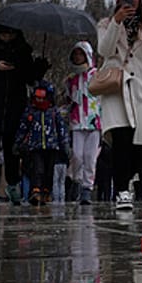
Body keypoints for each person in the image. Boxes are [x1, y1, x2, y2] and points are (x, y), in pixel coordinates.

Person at [95, 0, 142, 211]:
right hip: (117, 88)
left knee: (140, 148)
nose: (131, 1)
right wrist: (116, 22)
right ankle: (122, 190)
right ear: (118, 1)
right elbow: (104, 50)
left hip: (140, 90)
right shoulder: (106, 24)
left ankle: (130, 182)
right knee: (121, 140)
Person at [0, 24, 48, 206]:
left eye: (10, 34)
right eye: (3, 34)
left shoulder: (23, 53)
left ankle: (13, 184)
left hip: (15, 109)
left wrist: (38, 68)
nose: (6, 37)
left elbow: (30, 78)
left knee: (13, 152)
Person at [14, 80, 68, 204]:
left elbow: (61, 129)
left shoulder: (54, 112)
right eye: (37, 97)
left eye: (41, 97)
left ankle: (46, 191)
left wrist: (64, 144)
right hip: (35, 146)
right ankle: (35, 190)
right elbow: (23, 127)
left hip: (52, 146)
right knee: (37, 169)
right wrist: (18, 142)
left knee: (49, 171)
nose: (39, 101)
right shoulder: (31, 112)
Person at [62, 41, 101, 206]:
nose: (78, 57)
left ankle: (87, 188)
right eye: (75, 54)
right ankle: (77, 181)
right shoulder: (71, 79)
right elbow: (68, 100)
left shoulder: (97, 75)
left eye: (81, 54)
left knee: (90, 157)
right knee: (77, 155)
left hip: (94, 122)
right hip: (77, 121)